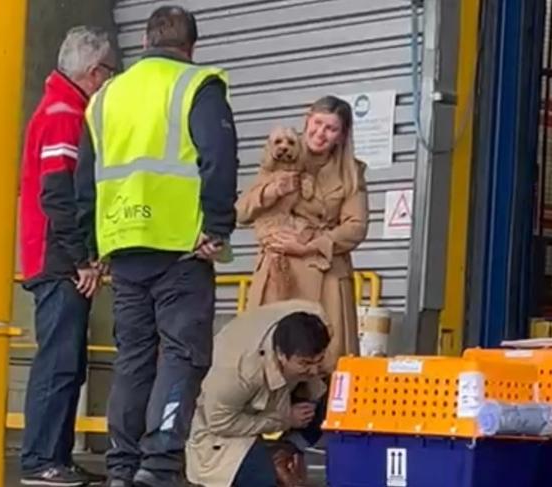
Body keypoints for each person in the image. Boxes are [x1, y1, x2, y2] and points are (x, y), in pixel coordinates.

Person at [74, 5, 239, 487]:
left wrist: (91, 246)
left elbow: (84, 179)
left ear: (144, 42)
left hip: (123, 246)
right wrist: (219, 227)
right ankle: (159, 463)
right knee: (182, 354)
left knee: (134, 357)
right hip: (181, 247)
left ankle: (122, 466)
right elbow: (219, 158)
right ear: (190, 47)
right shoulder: (197, 86)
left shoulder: (104, 98)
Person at [18, 26, 116, 487]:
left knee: (67, 364)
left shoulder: (57, 107)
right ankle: (41, 459)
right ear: (94, 72)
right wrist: (82, 259)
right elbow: (58, 193)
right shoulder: (65, 114)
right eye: (107, 74)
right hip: (58, 262)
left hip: (53, 257)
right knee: (58, 364)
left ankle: (52, 456)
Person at [236, 95, 369, 369]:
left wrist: (312, 245)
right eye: (317, 123)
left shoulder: (351, 172)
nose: (320, 133)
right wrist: (271, 191)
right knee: (269, 358)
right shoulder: (281, 153)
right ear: (307, 119)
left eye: (330, 129)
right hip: (278, 272)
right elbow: (242, 212)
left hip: (325, 272)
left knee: (325, 361)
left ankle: (319, 409)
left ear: (341, 136)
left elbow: (356, 227)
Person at [186, 300, 331, 487]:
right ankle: (271, 465)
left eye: (318, 360)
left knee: (333, 400)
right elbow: (220, 423)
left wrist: (315, 374)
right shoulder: (235, 374)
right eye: (305, 363)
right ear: (280, 354)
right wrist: (284, 419)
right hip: (220, 428)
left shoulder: (316, 319)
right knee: (261, 479)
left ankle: (283, 453)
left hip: (274, 391)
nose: (313, 370)